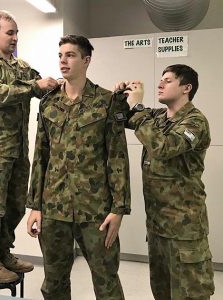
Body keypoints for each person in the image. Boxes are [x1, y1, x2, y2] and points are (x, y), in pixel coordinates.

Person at [26, 34, 131, 300]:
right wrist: (35, 206)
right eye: (61, 55)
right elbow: (41, 156)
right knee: (53, 283)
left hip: (95, 210)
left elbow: (117, 157)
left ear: (86, 61)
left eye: (70, 55)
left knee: (106, 281)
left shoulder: (106, 101)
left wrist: (118, 209)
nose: (63, 61)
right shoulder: (48, 103)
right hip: (54, 208)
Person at [0, 10, 58, 283]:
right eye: (10, 32)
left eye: (17, 32)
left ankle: (3, 252)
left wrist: (57, 85)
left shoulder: (20, 66)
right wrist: (35, 87)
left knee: (17, 204)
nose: (15, 37)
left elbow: (42, 84)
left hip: (18, 149)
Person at [115, 64, 215, 299]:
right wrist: (121, 97)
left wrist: (138, 107)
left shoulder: (195, 121)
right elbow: (121, 117)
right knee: (162, 292)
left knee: (190, 294)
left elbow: (163, 147)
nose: (160, 84)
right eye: (161, 79)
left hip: (184, 231)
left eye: (168, 80)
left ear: (186, 88)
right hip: (158, 228)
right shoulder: (158, 117)